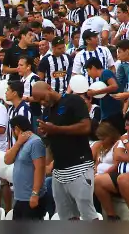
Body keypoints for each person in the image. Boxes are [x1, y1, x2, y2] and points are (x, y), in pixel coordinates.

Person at [31, 81, 96, 221]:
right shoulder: (47, 111)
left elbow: (86, 127)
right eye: (39, 101)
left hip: (79, 165)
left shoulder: (73, 100)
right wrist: (45, 132)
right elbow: (51, 137)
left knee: (87, 213)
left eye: (43, 98)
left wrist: (56, 129)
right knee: (66, 216)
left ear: (49, 88)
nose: (42, 102)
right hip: (59, 169)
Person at [4, 115, 46, 220]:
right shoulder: (20, 143)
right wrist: (18, 143)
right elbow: (7, 160)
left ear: (16, 129)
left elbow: (40, 168)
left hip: (31, 198)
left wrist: (35, 194)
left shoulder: (35, 142)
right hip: (20, 197)